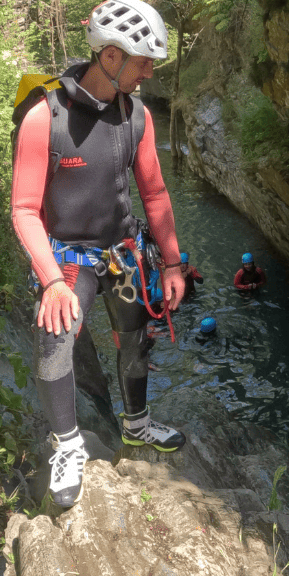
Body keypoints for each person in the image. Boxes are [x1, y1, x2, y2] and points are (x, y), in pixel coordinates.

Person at [11, 0, 186, 508]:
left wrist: (172, 262)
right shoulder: (45, 117)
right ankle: (67, 446)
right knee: (54, 344)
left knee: (135, 337)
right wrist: (51, 280)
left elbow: (154, 194)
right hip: (67, 256)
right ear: (111, 56)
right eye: (144, 61)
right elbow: (23, 209)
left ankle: (136, 424)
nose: (150, 71)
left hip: (124, 251)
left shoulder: (137, 116)